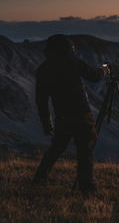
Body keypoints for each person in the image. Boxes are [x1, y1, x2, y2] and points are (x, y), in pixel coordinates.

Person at [33, 34, 110, 195]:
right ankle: (87, 188)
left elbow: (41, 100)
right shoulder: (73, 62)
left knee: (56, 148)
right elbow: (94, 76)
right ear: (67, 49)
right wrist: (105, 69)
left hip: (62, 117)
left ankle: (39, 178)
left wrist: (46, 123)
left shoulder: (43, 70)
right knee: (85, 151)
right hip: (82, 114)